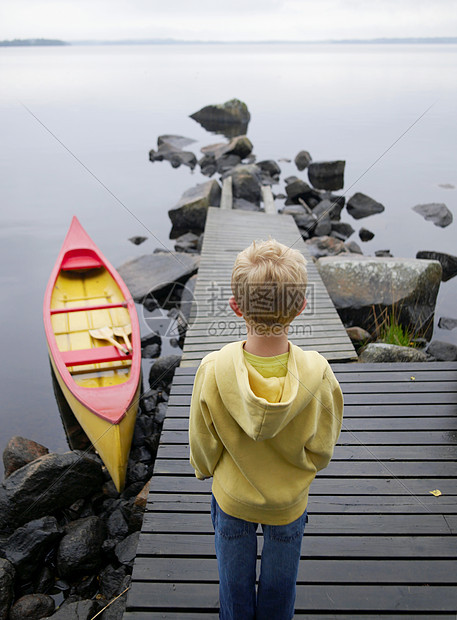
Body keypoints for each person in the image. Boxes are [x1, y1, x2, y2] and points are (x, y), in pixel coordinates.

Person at [188, 238, 343, 620]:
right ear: (302, 308)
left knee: (234, 586)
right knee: (280, 586)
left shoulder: (212, 370)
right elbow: (322, 446)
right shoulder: (319, 374)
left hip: (232, 499)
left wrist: (206, 469)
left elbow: (203, 443)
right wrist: (301, 468)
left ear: (235, 307)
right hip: (288, 503)